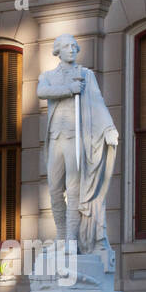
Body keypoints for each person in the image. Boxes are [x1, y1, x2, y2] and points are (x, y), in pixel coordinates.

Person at [36, 35, 118, 252]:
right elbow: (41, 92)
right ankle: (61, 237)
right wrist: (69, 89)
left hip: (75, 139)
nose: (72, 50)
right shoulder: (48, 77)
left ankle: (71, 240)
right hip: (56, 138)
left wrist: (108, 128)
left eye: (74, 46)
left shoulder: (86, 76)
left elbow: (97, 102)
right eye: (67, 47)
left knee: (74, 190)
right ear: (58, 51)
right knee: (54, 189)